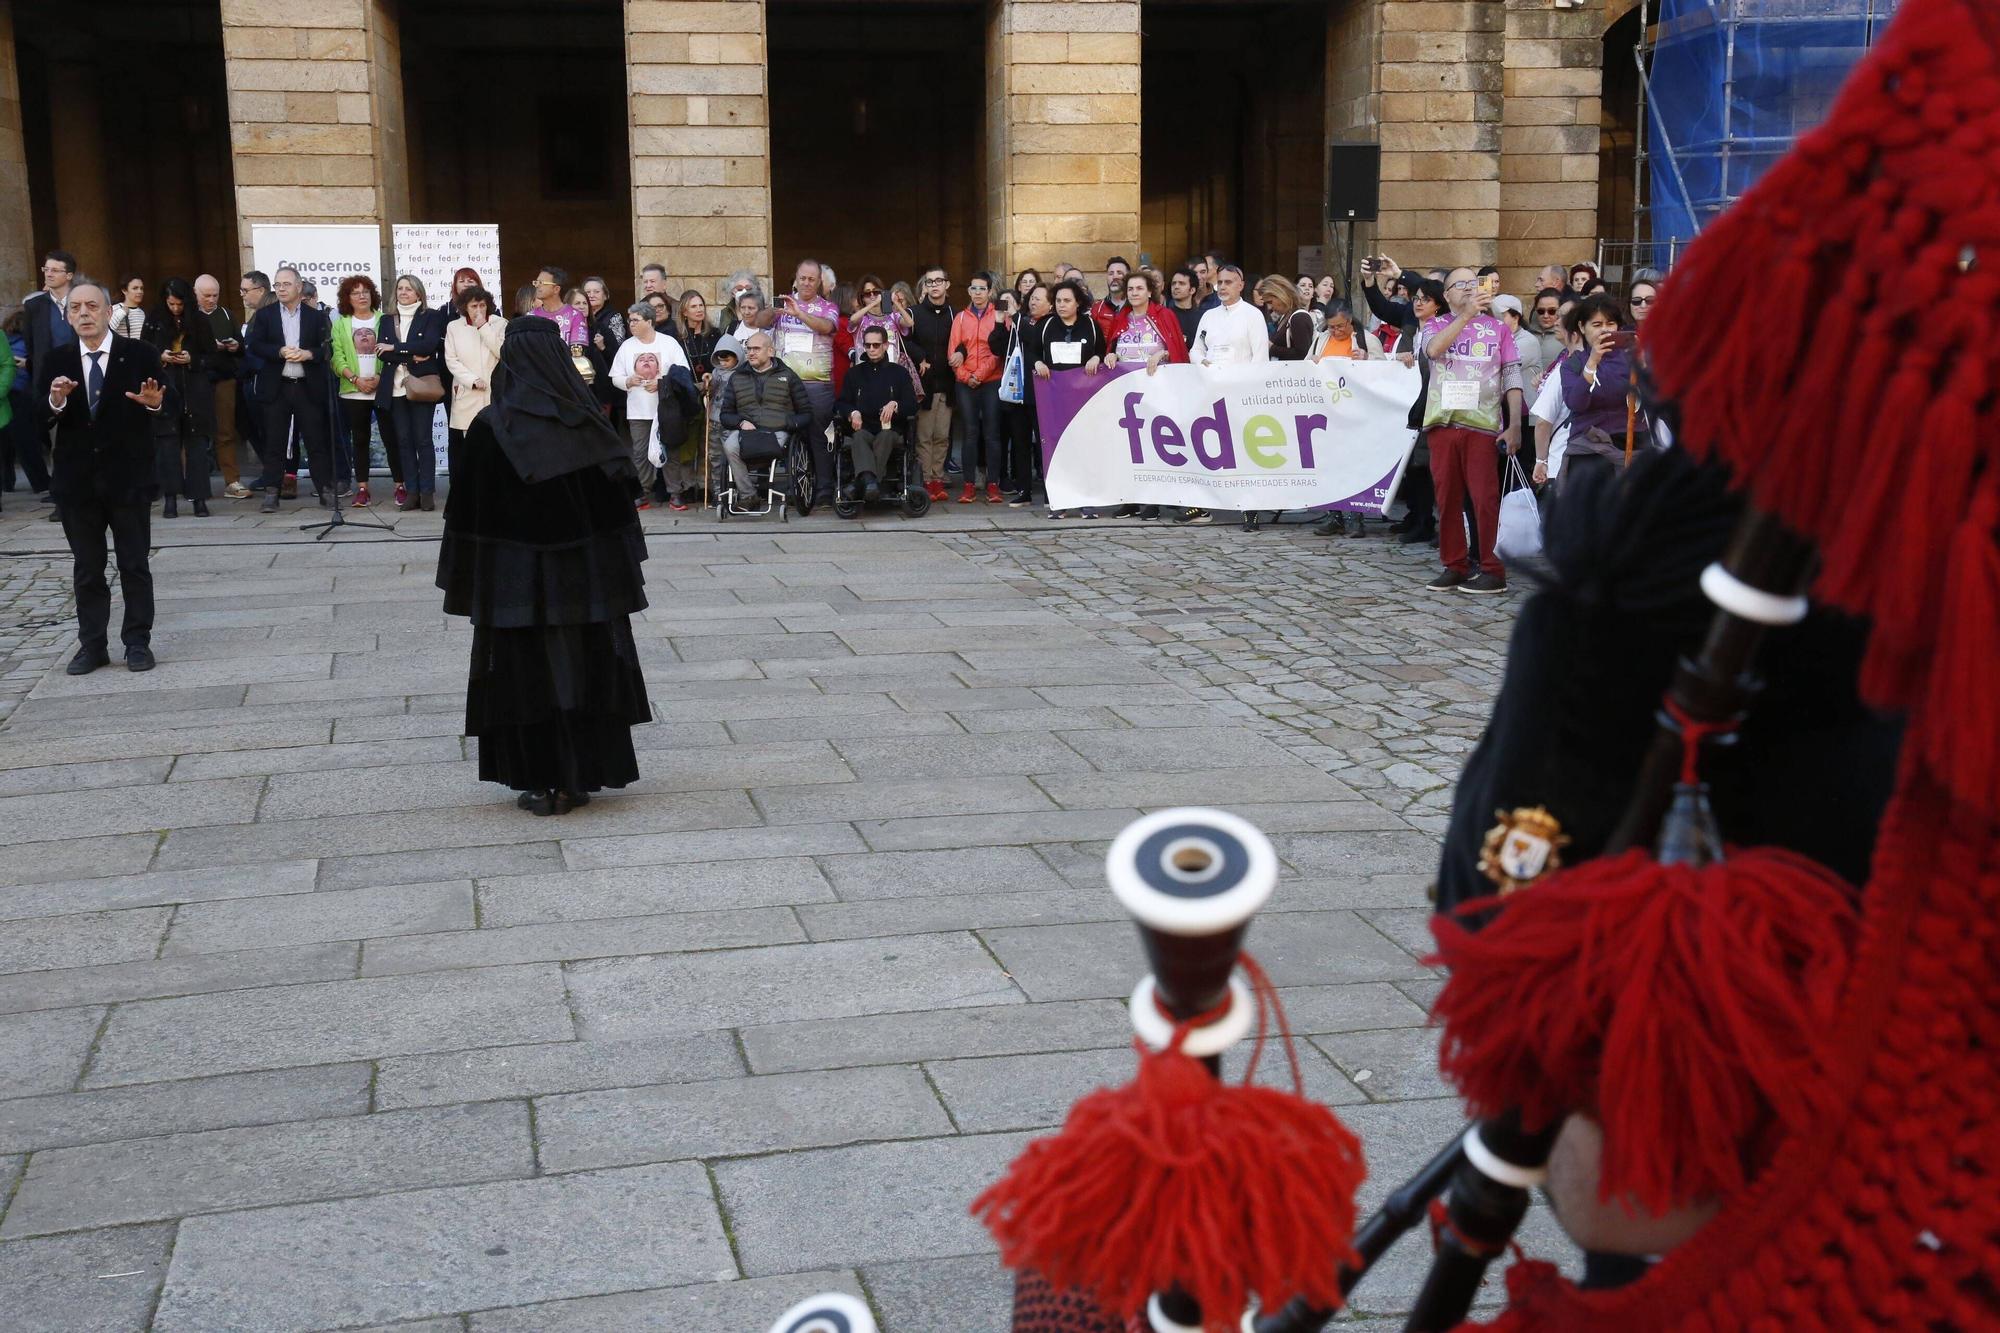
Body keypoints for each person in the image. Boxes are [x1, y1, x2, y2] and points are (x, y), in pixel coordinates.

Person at [437, 316, 650, 818]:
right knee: (580, 664)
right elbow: (620, 509)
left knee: (524, 671)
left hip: (514, 580)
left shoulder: (491, 427)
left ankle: (538, 777)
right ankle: (579, 774)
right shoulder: (589, 426)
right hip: (582, 580)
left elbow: (466, 515)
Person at [37, 278, 169, 674]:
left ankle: (137, 643)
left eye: (91, 307)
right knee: (88, 568)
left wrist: (154, 403)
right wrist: (55, 401)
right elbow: (36, 419)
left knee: (133, 564)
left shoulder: (139, 353)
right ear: (67, 316)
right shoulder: (57, 360)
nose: (83, 314)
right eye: (75, 308)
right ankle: (92, 645)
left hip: (127, 478)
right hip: (78, 482)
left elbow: (167, 399)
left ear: (108, 312)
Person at [1422, 266, 1524, 595]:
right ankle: (1455, 564)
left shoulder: (1498, 329)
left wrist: (1515, 425)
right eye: (1459, 284)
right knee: (1447, 497)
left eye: (1472, 282)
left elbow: (1512, 376)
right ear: (1446, 294)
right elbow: (1433, 351)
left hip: (1482, 424)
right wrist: (1465, 316)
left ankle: (1493, 568)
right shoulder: (1435, 324)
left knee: (1485, 498)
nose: (1468, 288)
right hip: (1444, 421)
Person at [245, 267, 334, 513]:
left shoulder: (315, 316)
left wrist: (308, 354)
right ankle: (272, 492)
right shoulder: (265, 315)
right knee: (274, 441)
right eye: (277, 284)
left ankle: (325, 489)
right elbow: (254, 345)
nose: (281, 289)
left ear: (298, 286)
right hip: (277, 387)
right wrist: (279, 351)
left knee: (316, 441)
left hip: (307, 387)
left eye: (286, 284)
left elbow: (327, 350)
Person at [756, 258, 840, 504]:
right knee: (789, 435)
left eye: (811, 279)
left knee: (819, 435)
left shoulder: (827, 307)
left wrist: (800, 314)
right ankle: (795, 486)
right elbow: (760, 323)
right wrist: (775, 309)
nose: (806, 283)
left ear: (819, 282)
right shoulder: (784, 304)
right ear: (795, 278)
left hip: (817, 383)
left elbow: (827, 327)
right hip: (785, 382)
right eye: (802, 278)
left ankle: (824, 489)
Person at [1557, 291, 1648, 495]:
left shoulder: (1632, 358)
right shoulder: (1573, 364)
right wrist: (1592, 362)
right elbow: (1576, 403)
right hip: (1590, 450)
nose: (1605, 330)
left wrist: (1644, 369)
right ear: (1582, 327)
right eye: (1597, 325)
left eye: (1610, 324)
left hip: (1633, 446)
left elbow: (1654, 397)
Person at [143, 277, 215, 519]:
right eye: (171, 304)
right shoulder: (154, 320)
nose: (175, 309)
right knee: (167, 445)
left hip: (194, 389)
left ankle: (199, 498)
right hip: (166, 387)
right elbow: (143, 353)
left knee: (196, 445)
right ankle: (170, 498)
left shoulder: (200, 321)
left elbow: (213, 358)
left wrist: (192, 359)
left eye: (179, 304)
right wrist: (160, 356)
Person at [1035, 279, 1107, 520]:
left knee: (1084, 446)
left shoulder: (1090, 325)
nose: (1062, 305)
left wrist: (1096, 358)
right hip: (1055, 396)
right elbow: (1033, 351)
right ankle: (1060, 501)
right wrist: (1038, 362)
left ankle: (1087, 501)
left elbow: (1102, 350)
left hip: (1083, 397)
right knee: (1057, 447)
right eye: (1058, 301)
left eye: (1067, 301)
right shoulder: (1046, 326)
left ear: (1078, 303)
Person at [609, 302, 692, 508]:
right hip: (638, 410)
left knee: (670, 451)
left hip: (667, 409)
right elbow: (615, 377)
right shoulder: (627, 346)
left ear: (649, 321)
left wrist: (661, 383)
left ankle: (675, 492)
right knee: (640, 452)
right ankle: (642, 492)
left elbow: (682, 374)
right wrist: (628, 381)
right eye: (630, 320)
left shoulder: (669, 343)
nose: (631, 324)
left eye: (635, 320)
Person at [376, 274, 448, 511]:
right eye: (400, 288)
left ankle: (427, 492)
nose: (403, 292)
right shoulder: (387, 320)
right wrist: (408, 353)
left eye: (409, 289)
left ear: (419, 293)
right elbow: (382, 352)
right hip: (395, 389)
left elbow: (428, 346)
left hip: (420, 386)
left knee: (423, 440)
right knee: (404, 442)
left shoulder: (431, 316)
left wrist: (395, 347)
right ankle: (412, 492)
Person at [716, 329, 810, 504]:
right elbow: (725, 415)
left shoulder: (788, 376)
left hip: (777, 432)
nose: (751, 353)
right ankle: (748, 495)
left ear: (770, 351)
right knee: (730, 446)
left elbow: (805, 413)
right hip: (747, 431)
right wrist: (741, 422)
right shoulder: (737, 377)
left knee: (768, 448)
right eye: (749, 349)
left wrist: (787, 423)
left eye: (756, 349)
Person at [834, 322, 919, 501]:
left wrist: (895, 404)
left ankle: (861, 484)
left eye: (876, 345)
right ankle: (871, 483)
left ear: (886, 345)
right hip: (863, 427)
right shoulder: (854, 374)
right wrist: (852, 412)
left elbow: (912, 404)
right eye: (868, 345)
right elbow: (841, 403)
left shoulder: (899, 373)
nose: (871, 349)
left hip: (890, 428)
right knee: (859, 437)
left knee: (885, 436)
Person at [331, 275, 390, 506]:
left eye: (365, 291)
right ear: (348, 298)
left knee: (391, 437)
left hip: (382, 388)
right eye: (355, 292)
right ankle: (363, 488)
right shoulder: (341, 323)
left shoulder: (383, 320)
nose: (361, 296)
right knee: (360, 439)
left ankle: (400, 485)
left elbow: (389, 354)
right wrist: (356, 379)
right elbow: (337, 357)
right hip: (353, 390)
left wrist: (378, 377)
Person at [948, 271, 1006, 504]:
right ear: (969, 291)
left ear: (990, 291)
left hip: (991, 380)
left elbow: (998, 352)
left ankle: (993, 485)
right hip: (965, 382)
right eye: (974, 288)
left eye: (982, 288)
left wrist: (979, 376)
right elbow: (953, 352)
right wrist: (966, 376)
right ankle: (969, 485)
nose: (978, 293)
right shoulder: (960, 318)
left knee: (992, 434)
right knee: (970, 433)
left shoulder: (999, 316)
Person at [192, 276, 246, 499]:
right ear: (195, 293)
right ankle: (193, 482)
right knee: (194, 431)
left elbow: (242, 346)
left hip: (224, 378)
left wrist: (234, 346)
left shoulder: (226, 314)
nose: (211, 300)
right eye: (206, 296)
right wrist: (207, 346)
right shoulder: (188, 317)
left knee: (226, 430)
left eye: (215, 295)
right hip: (197, 379)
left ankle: (232, 481)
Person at [443, 286, 504, 473]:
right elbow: (451, 360)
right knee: (471, 446)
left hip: (495, 394)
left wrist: (483, 327)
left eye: (482, 305)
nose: (478, 310)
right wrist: (472, 380)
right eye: (474, 306)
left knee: (496, 446)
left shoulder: (500, 323)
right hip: (467, 392)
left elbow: (503, 352)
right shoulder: (454, 327)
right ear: (465, 307)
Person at [908, 264, 955, 500]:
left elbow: (964, 341)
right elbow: (903, 339)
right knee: (924, 435)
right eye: (929, 282)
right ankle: (926, 479)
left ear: (947, 284)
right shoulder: (914, 312)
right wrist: (921, 357)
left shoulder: (956, 314)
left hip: (947, 383)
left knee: (942, 435)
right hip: (923, 384)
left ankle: (938, 477)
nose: (934, 285)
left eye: (938, 281)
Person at [1105, 271, 1190, 372]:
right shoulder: (1119, 319)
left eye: (1139, 288)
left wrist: (1163, 353)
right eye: (1130, 289)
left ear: (1149, 292)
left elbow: (1179, 353)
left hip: (1159, 381)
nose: (1134, 293)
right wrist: (1112, 356)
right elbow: (1111, 349)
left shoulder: (1164, 315)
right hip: (1125, 382)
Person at [1490, 294, 1545, 389]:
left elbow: (1497, 367)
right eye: (1492, 315)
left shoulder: (1528, 341)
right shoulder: (1496, 338)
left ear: (1516, 318)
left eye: (1500, 316)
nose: (1495, 320)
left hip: (1525, 402)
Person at [1257, 276, 1317, 361]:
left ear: (1281, 295)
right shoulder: (1285, 317)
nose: (1269, 307)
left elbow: (1303, 355)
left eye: (1270, 302)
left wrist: (1272, 348)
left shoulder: (1299, 318)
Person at [529, 265, 588, 348]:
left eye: (541, 283)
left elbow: (577, 354)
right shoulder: (530, 317)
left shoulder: (575, 316)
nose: (537, 285)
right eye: (536, 282)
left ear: (556, 289)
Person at [1089, 256, 1131, 340]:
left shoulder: (1136, 306)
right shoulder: (1097, 309)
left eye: (1119, 273)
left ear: (1128, 277)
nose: (1114, 277)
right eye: (1111, 273)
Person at [1166, 269, 1203, 348]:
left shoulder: (1203, 317)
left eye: (1181, 283)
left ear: (1192, 290)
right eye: (1173, 283)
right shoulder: (1164, 315)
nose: (1176, 287)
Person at [109, 276, 147, 341]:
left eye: (141, 288)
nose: (140, 291)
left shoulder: (141, 312)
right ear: (124, 291)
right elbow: (106, 330)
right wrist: (121, 312)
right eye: (135, 288)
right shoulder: (115, 308)